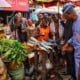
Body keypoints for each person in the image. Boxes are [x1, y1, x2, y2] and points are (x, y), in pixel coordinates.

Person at [62, 2, 80, 80]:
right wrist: (68, 43)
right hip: (77, 55)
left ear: (70, 14)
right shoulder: (73, 24)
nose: (66, 18)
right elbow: (74, 36)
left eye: (66, 16)